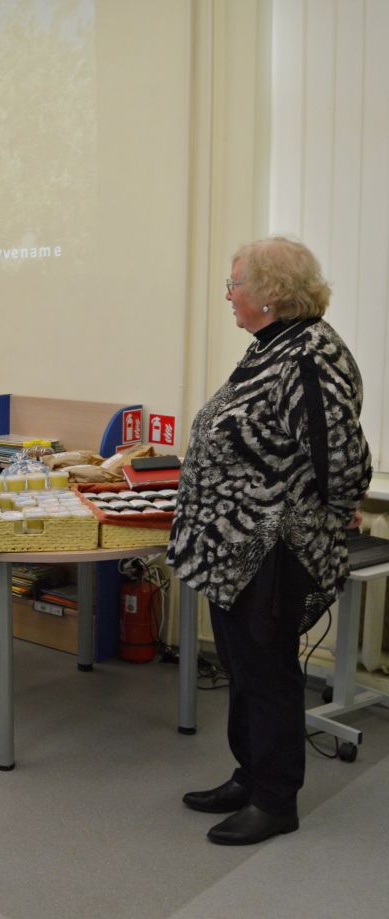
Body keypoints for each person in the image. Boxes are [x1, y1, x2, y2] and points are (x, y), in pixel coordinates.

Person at [168, 237, 372, 846]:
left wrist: (322, 520)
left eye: (234, 283)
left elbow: (341, 463)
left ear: (269, 293)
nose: (228, 294)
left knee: (268, 672)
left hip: (271, 552)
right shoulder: (274, 347)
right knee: (243, 667)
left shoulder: (308, 355)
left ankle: (275, 799)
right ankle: (249, 776)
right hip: (234, 552)